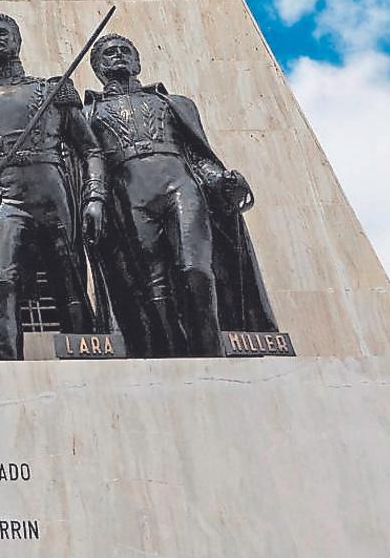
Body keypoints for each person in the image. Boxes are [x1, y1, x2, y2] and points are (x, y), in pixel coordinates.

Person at [84, 32, 276, 356]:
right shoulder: (89, 112)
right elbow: (91, 160)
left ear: (137, 62)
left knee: (196, 269)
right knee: (153, 283)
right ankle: (168, 353)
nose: (118, 55)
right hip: (129, 194)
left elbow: (197, 156)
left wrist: (221, 180)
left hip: (180, 185)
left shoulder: (174, 103)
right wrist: (95, 198)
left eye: (124, 50)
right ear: (98, 68)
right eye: (109, 53)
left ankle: (209, 352)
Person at [0, 12, 105, 360]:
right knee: (0, 283)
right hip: (5, 201)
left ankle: (88, 361)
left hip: (53, 196)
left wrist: (94, 196)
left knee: (69, 281)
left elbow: (90, 149)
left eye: (3, 32)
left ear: (18, 40)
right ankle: (8, 370)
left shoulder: (54, 91)